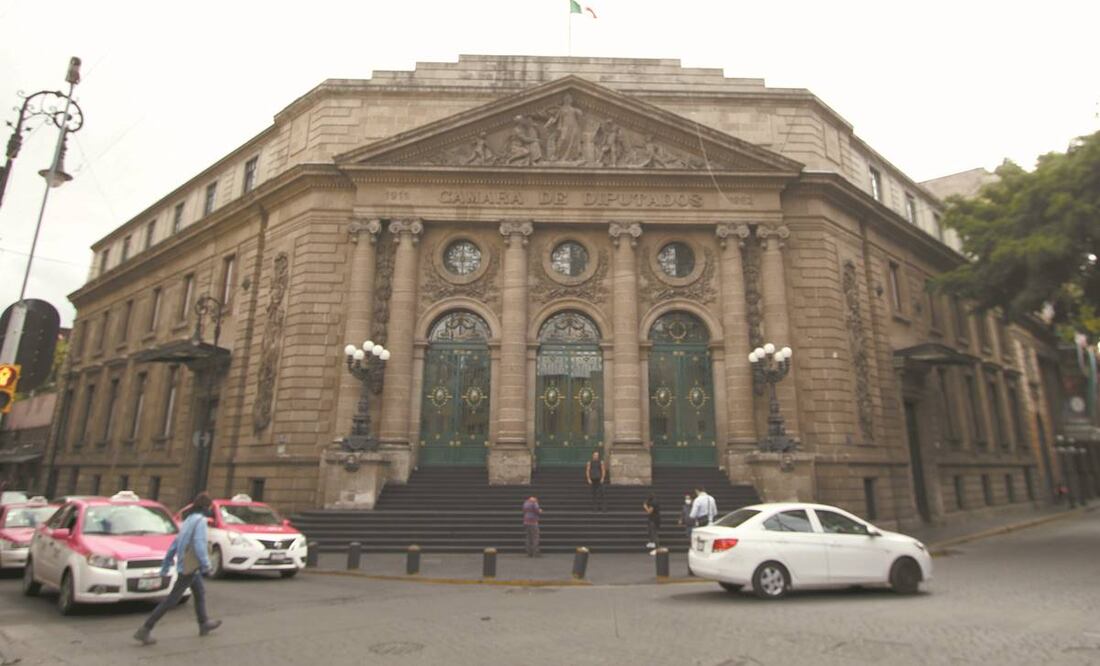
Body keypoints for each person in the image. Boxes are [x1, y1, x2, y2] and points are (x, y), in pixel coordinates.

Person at [134, 492, 221, 646]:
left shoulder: (188, 520)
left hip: (187, 565)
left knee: (200, 593)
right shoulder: (200, 521)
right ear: (206, 507)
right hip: (189, 567)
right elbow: (200, 545)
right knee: (171, 600)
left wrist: (167, 563)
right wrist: (207, 564)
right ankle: (146, 628)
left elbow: (176, 542)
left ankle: (204, 623)